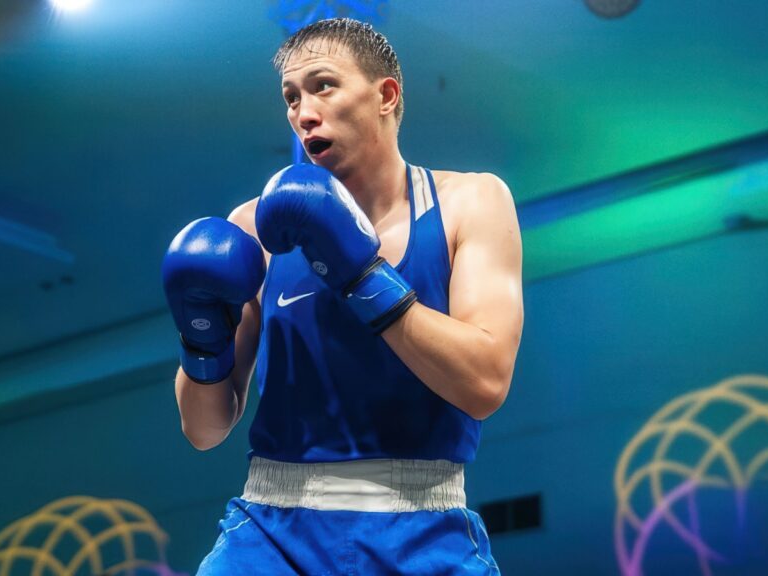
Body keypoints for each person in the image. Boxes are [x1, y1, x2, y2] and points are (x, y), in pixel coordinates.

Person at [162, 17, 523, 575]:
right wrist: (199, 336)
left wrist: (360, 273)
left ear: (386, 95)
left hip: (422, 531)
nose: (303, 113)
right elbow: (204, 431)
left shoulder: (468, 202)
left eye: (323, 86)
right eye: (291, 97)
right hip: (271, 533)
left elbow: (485, 383)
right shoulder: (254, 228)